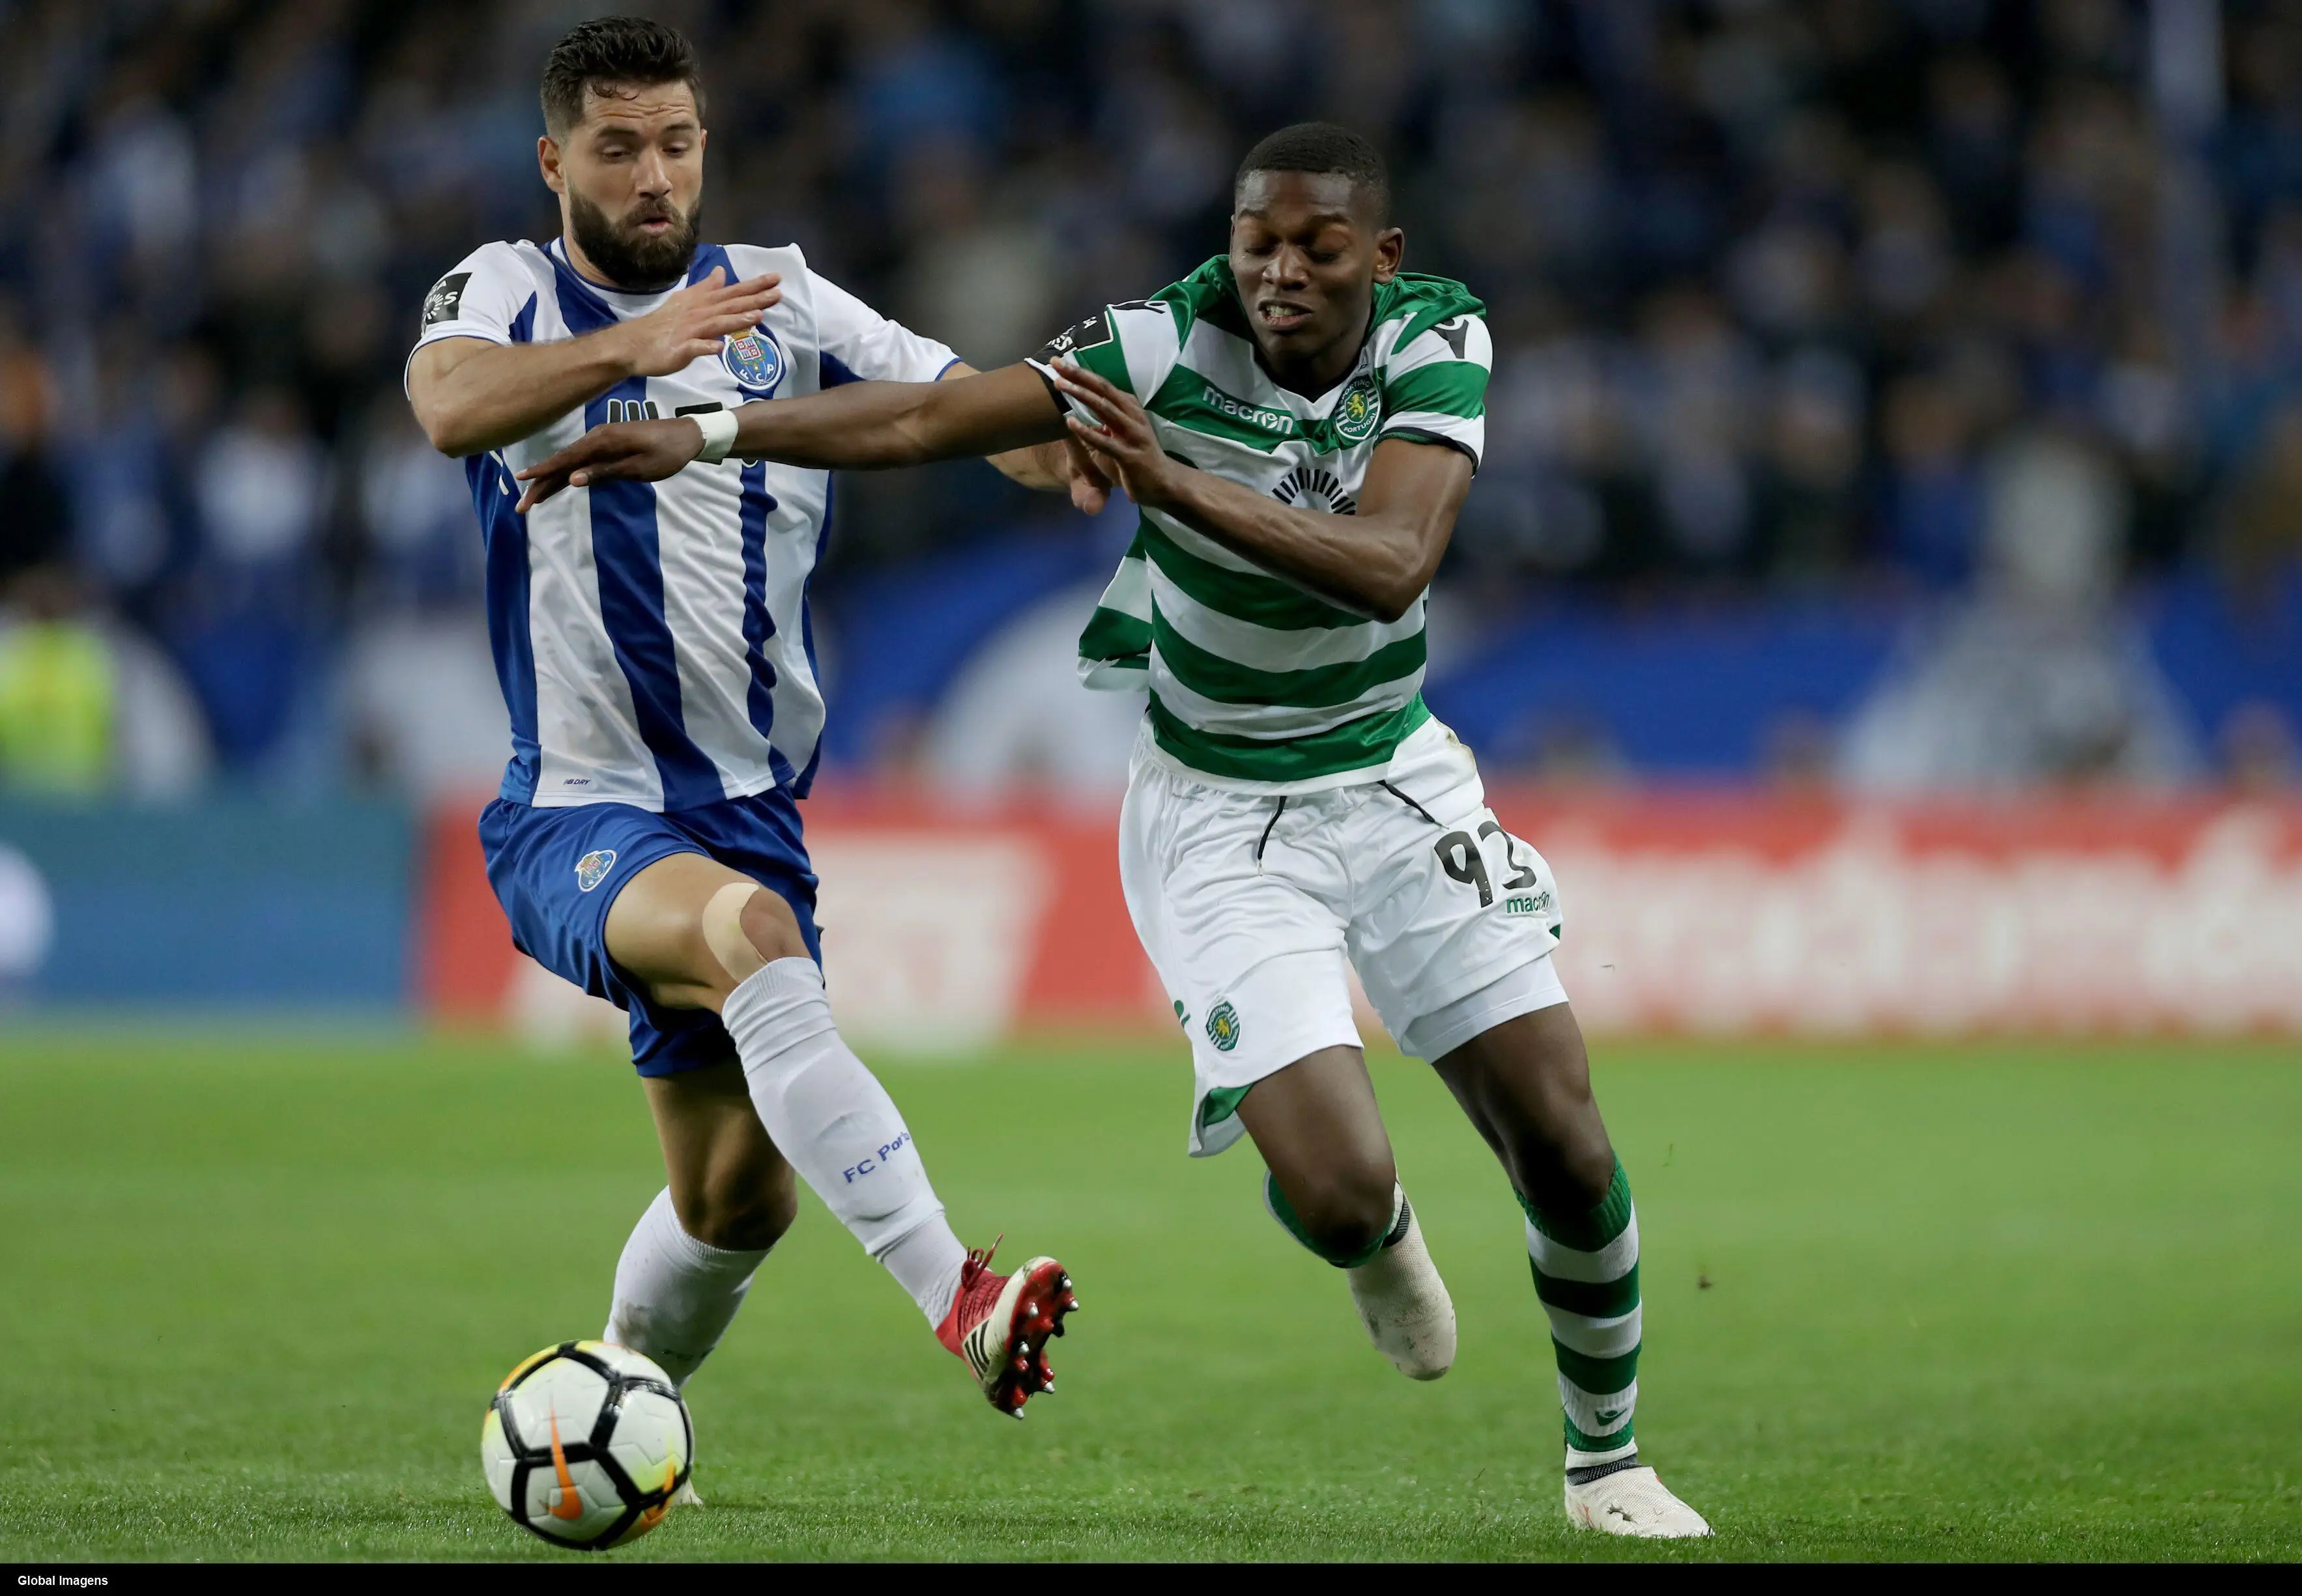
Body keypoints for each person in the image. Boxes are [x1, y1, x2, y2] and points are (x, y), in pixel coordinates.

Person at [520, 121, 1711, 1540]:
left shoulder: (1438, 335)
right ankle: (1375, 1237)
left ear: (1380, 260)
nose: (1277, 270)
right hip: (1216, 818)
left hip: (1395, 783)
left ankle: (1606, 1463)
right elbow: (931, 416)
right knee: (1338, 1192)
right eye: (1255, 239)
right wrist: (714, 431)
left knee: (1566, 1146)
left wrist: (1176, 485)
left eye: (1317, 245)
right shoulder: (1161, 341)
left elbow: (1393, 567)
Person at [402, 16, 1077, 1449]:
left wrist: (1051, 439)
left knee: (738, 1199)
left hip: (752, 813)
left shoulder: (785, 299)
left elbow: (960, 405)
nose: (655, 175)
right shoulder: (507, 290)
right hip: (577, 811)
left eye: (678, 142)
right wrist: (634, 346)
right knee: (750, 936)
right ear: (554, 160)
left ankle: (615, 1400)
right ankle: (962, 1297)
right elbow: (448, 407)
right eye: (618, 147)